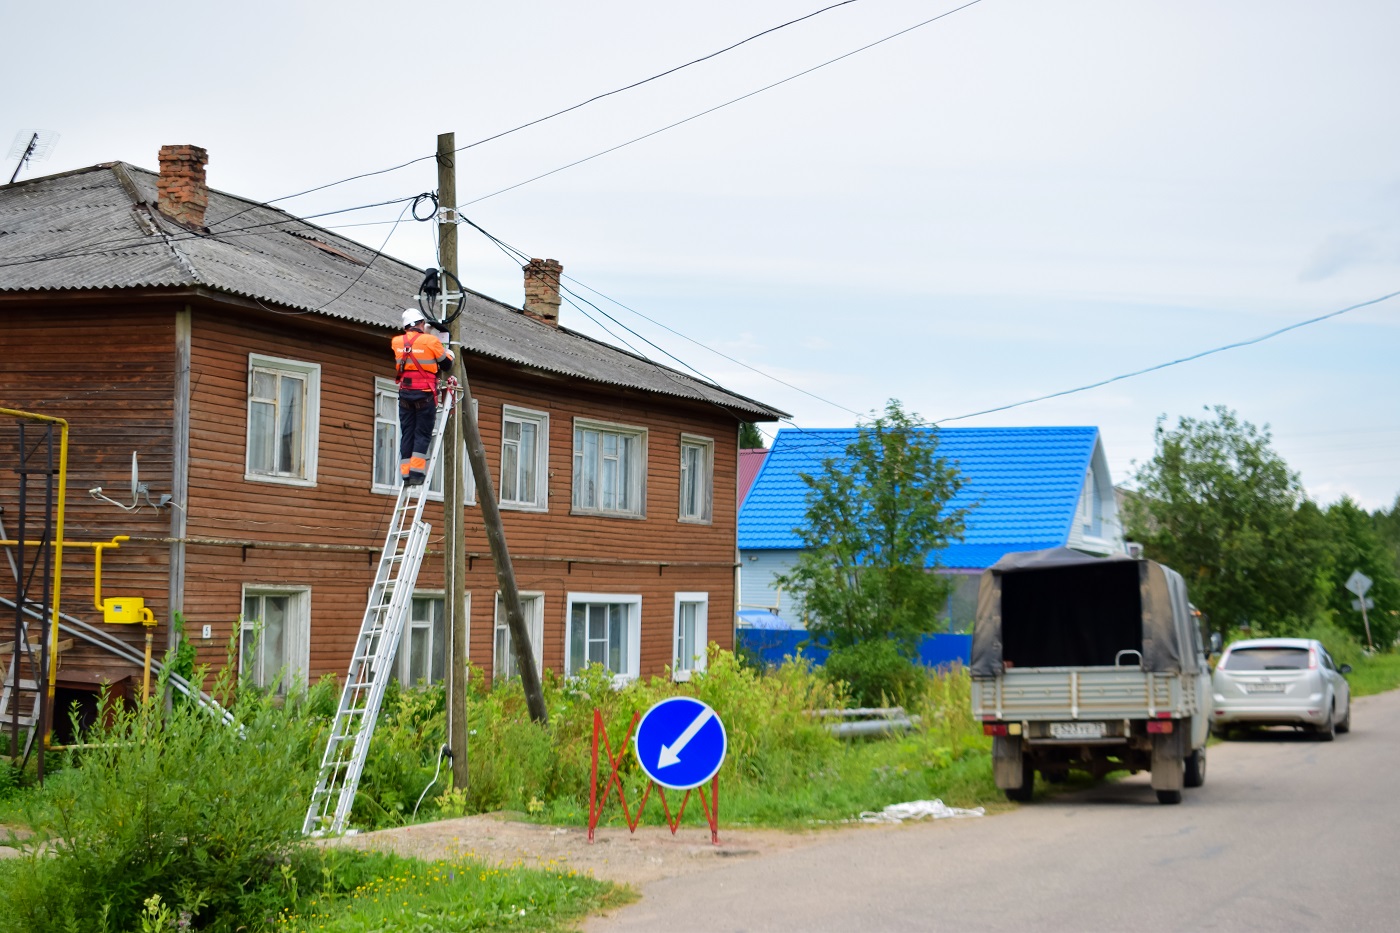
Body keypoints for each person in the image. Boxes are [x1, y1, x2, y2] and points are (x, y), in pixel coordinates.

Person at [391, 308, 453, 486]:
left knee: (407, 433)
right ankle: (417, 474)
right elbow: (447, 364)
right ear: (420, 324)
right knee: (422, 433)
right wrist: (448, 352)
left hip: (405, 394)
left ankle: (406, 474)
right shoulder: (430, 341)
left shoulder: (397, 342)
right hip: (424, 394)